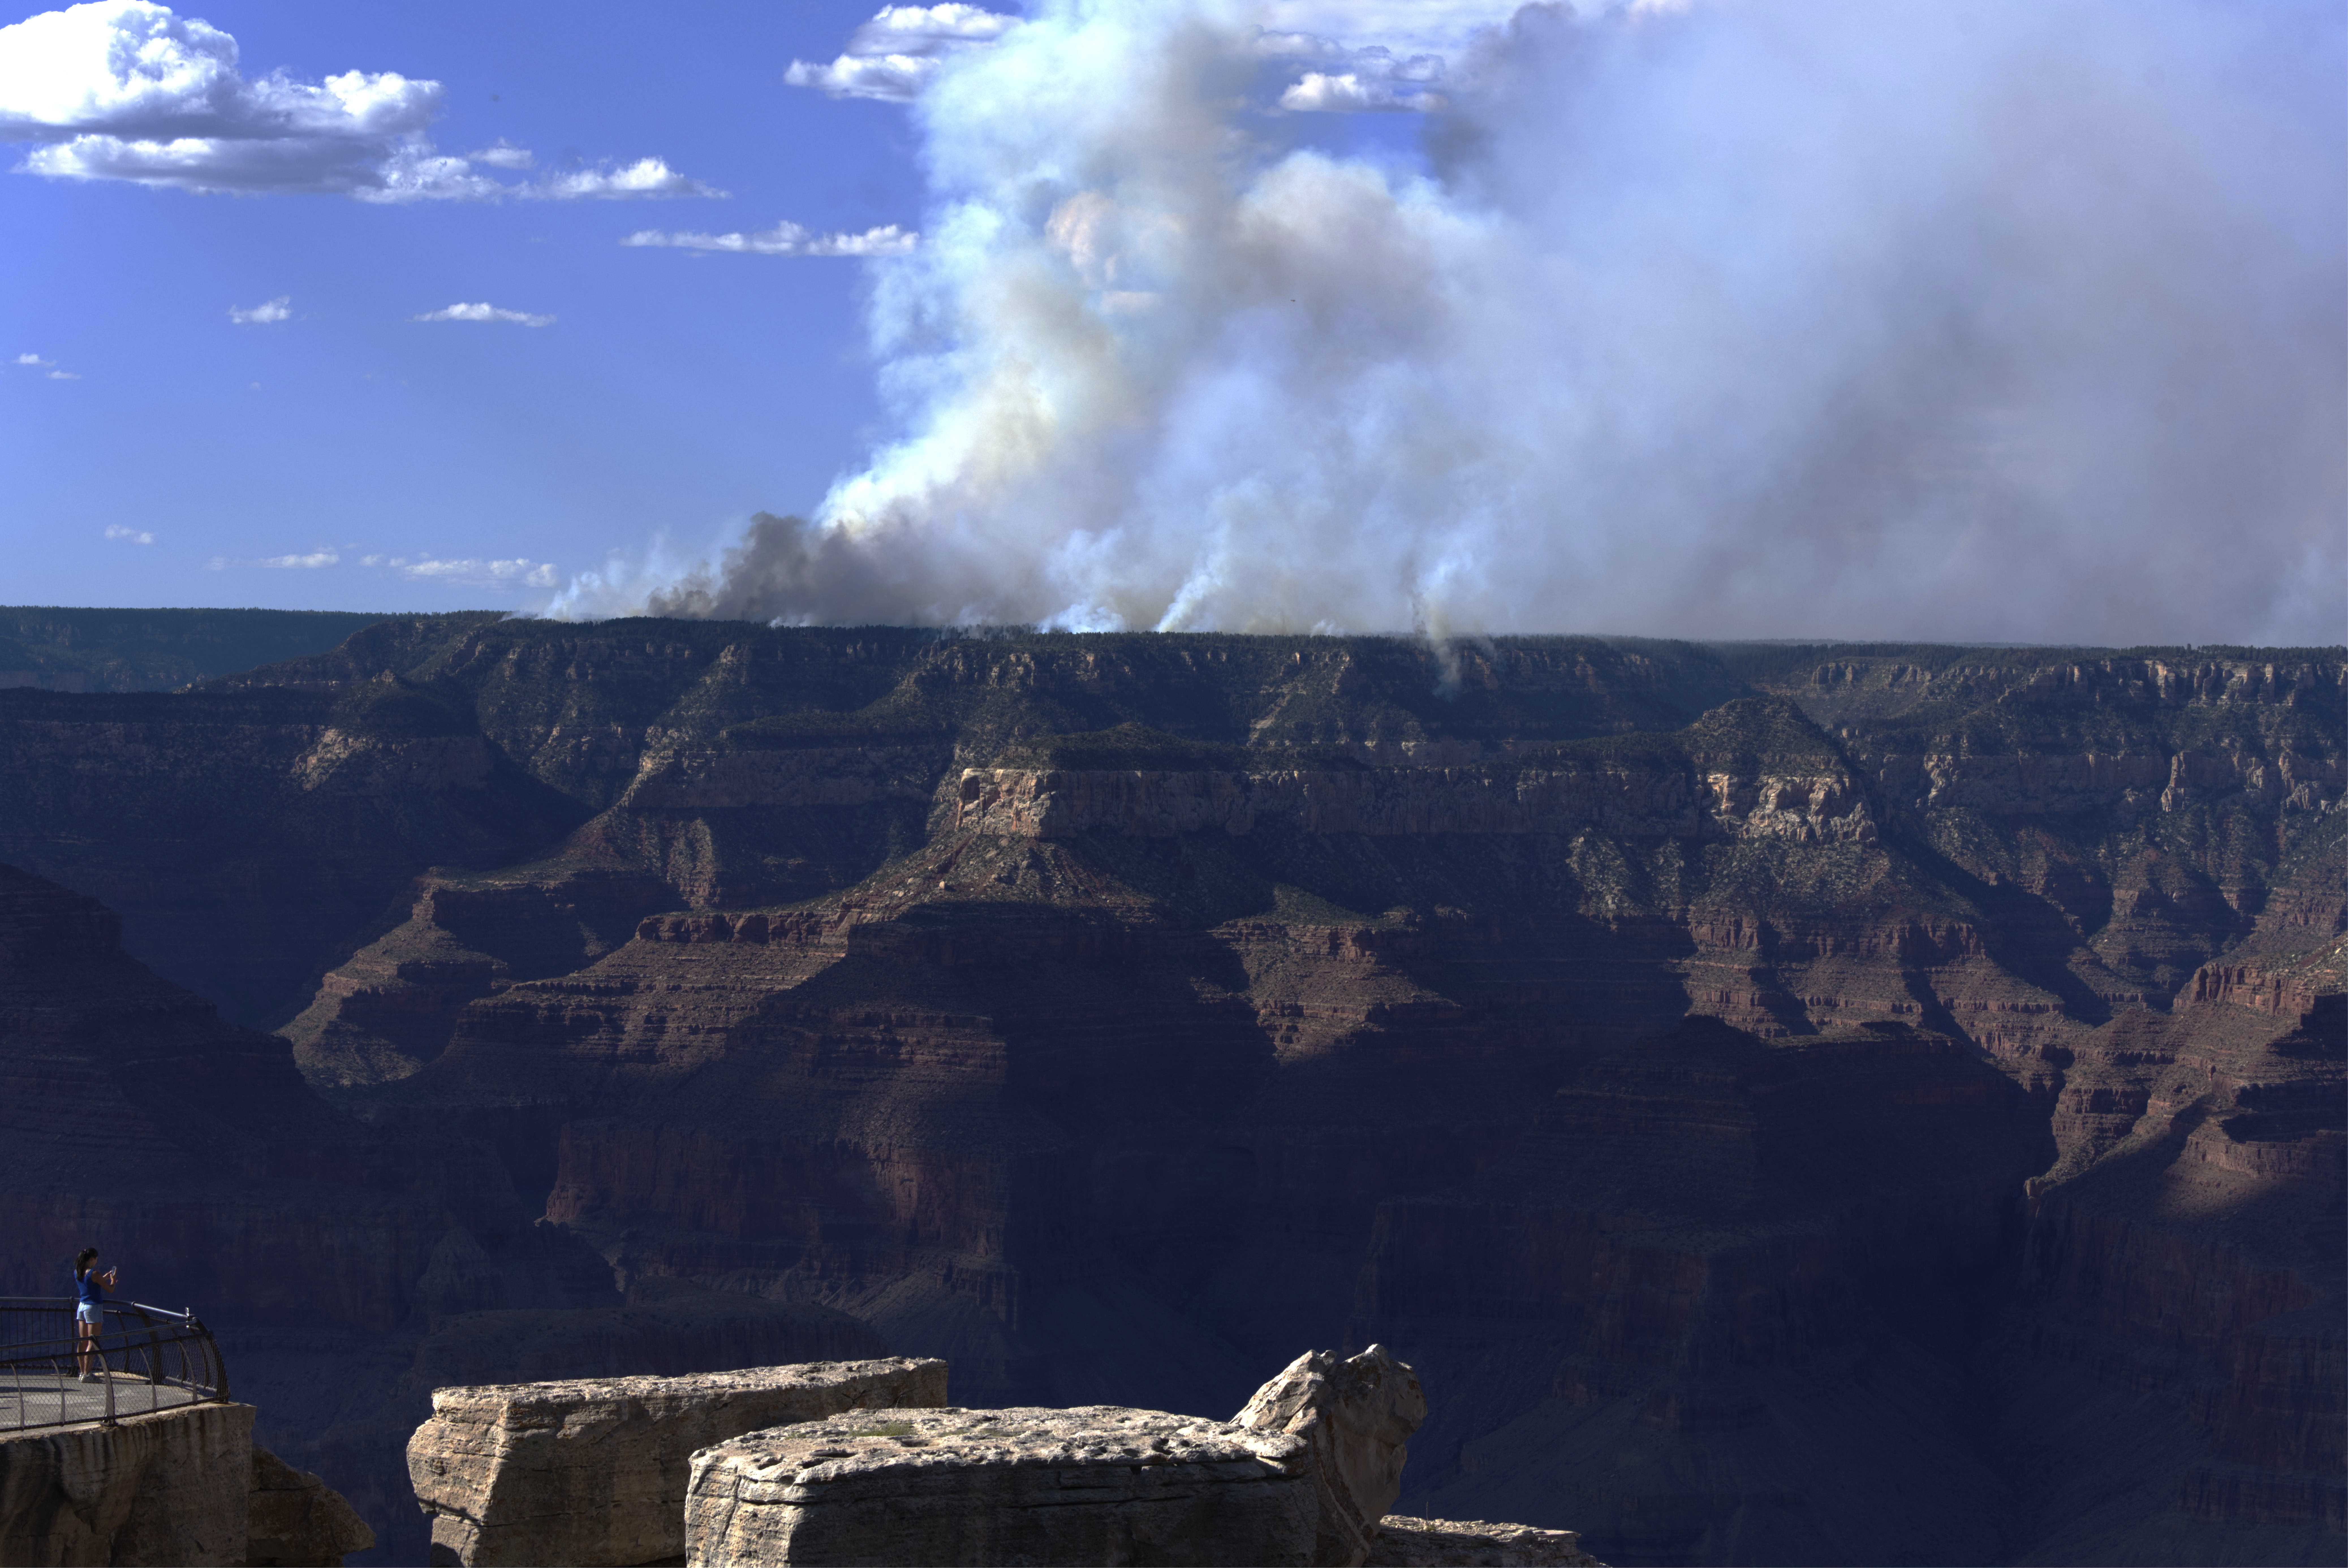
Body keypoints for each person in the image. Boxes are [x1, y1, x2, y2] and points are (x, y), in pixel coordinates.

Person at [72, 1246, 117, 1382]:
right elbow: (110, 1290)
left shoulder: (78, 1271)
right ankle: (87, 1375)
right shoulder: (94, 1274)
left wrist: (103, 1278)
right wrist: (113, 1280)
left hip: (82, 1307)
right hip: (93, 1308)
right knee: (93, 1341)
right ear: (92, 1259)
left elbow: (90, 1285)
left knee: (83, 1340)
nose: (96, 1262)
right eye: (96, 1260)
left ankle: (82, 1373)